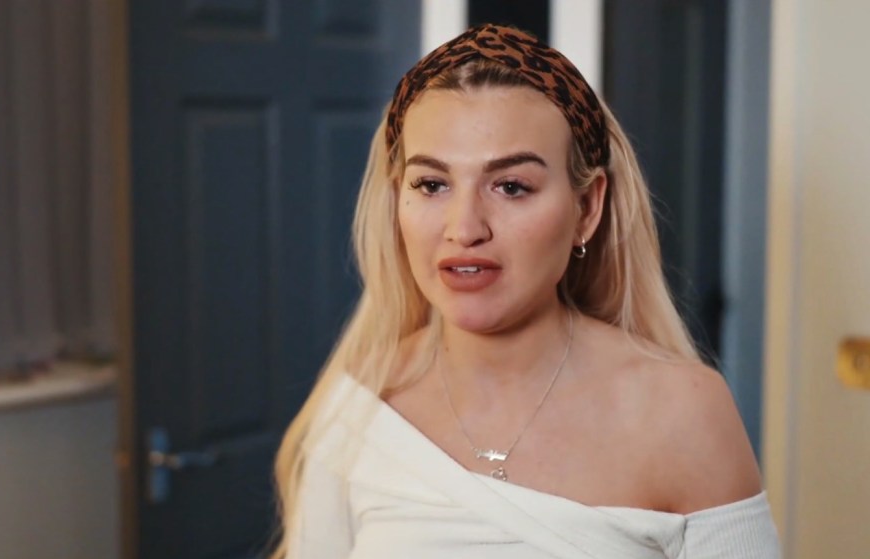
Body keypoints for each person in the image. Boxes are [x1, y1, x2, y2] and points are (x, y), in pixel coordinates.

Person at [271, 24, 780, 558]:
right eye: (432, 184)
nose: (465, 229)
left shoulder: (683, 411)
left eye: (511, 186)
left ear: (587, 208)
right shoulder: (359, 410)